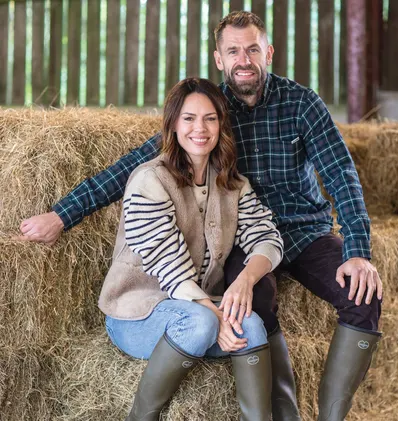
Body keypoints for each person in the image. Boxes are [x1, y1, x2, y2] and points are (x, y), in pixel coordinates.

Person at [17, 11, 383, 421]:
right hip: (242, 240)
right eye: (233, 51)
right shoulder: (209, 110)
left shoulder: (301, 104)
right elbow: (130, 170)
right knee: (254, 306)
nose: (244, 60)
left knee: (363, 295)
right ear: (219, 59)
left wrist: (357, 251)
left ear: (268, 53)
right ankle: (285, 414)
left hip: (303, 232)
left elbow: (341, 174)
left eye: (252, 49)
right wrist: (61, 215)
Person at [99, 77, 283, 420]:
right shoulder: (149, 180)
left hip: (198, 310)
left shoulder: (233, 184)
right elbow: (171, 270)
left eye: (210, 118)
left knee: (252, 324)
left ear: (221, 125)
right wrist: (218, 317)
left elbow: (267, 238)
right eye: (189, 118)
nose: (200, 128)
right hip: (138, 315)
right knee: (201, 322)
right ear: (173, 124)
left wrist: (245, 280)